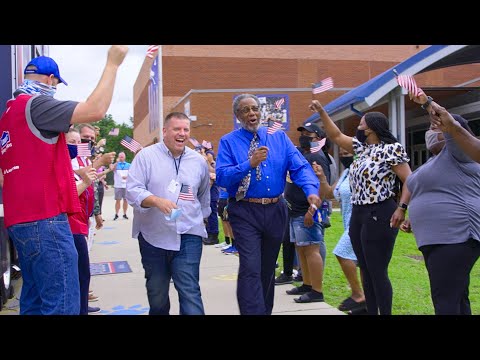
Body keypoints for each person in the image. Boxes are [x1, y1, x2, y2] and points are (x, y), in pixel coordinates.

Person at [0, 46, 128, 314]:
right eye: (56, 84)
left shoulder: (8, 117)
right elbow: (95, 110)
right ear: (50, 80)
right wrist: (113, 64)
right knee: (62, 303)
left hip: (19, 221)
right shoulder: (37, 105)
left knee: (34, 301)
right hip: (46, 219)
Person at [216, 94, 321, 315]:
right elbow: (223, 178)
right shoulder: (228, 141)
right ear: (238, 115)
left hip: (275, 210)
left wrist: (311, 191)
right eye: (246, 110)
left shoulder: (278, 138)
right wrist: (249, 163)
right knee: (251, 267)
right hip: (245, 210)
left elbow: (300, 167)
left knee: (266, 270)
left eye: (255, 109)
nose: (252, 114)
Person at [309, 100, 412, 315]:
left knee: (377, 271)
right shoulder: (362, 148)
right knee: (365, 268)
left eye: (362, 124)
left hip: (380, 211)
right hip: (359, 213)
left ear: (372, 128)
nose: (359, 127)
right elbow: (336, 136)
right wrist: (321, 111)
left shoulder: (391, 149)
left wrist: (401, 208)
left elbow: (409, 181)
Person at [399, 90, 480, 315]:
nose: (430, 132)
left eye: (434, 128)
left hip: (456, 236)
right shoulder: (434, 161)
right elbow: (423, 190)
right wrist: (412, 215)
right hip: (437, 238)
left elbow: (452, 127)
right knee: (456, 297)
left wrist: (427, 103)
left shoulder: (460, 153)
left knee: (445, 300)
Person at [126, 112, 211, 315]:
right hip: (153, 236)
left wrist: (198, 218)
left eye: (185, 130)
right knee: (157, 295)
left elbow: (203, 195)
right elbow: (133, 190)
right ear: (164, 131)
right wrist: (156, 200)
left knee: (190, 292)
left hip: (188, 234)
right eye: (177, 129)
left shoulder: (198, 161)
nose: (182, 134)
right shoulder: (146, 157)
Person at [312, 148, 366, 313]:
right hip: (348, 222)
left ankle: (358, 295)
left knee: (342, 253)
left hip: (362, 222)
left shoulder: (365, 169)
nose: (344, 155)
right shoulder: (346, 172)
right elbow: (330, 194)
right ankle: (367, 302)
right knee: (363, 264)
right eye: (341, 154)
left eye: (347, 152)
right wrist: (321, 177)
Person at [283, 123, 331, 303]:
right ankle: (307, 284)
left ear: (318, 137)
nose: (303, 136)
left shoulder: (316, 157)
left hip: (307, 210)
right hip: (295, 210)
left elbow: (322, 186)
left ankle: (317, 291)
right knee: (301, 248)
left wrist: (312, 210)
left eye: (307, 134)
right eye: (301, 132)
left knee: (311, 249)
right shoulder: (303, 155)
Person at [426, 99, 480, 163]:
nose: (430, 133)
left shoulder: (464, 160)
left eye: (435, 129)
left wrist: (427, 102)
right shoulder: (432, 160)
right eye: (430, 129)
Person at [113, 152, 131, 220]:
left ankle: (124, 213)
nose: (121, 158)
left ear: (124, 157)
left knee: (125, 200)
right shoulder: (116, 165)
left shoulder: (129, 165)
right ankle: (116, 214)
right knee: (118, 200)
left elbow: (132, 173)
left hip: (126, 185)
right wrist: (116, 163)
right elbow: (112, 169)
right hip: (118, 185)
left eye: (122, 157)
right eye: (120, 157)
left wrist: (127, 177)